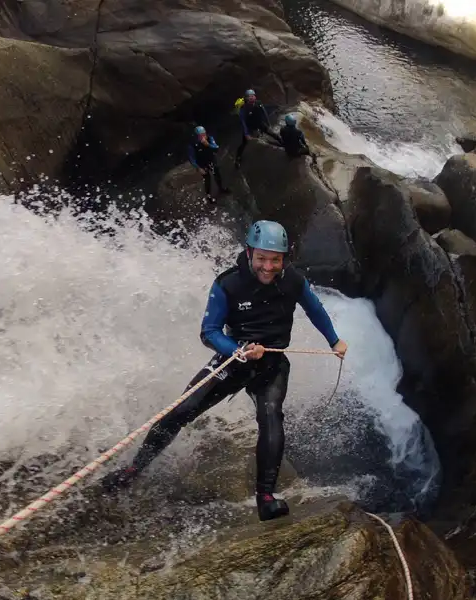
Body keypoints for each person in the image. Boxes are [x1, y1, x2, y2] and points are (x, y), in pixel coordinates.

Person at [101, 220, 348, 521]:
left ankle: (266, 496)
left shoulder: (293, 280)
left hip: (271, 364)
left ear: (284, 258)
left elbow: (315, 309)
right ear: (249, 252)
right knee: (181, 410)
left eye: (275, 260)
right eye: (261, 258)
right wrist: (237, 350)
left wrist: (334, 340)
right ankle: (133, 469)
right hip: (233, 361)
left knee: (271, 416)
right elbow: (209, 332)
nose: (268, 267)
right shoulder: (228, 284)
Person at [235, 89, 279, 168]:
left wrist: (268, 123)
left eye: (253, 96)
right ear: (246, 98)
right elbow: (243, 122)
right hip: (249, 126)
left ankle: (283, 142)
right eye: (250, 96)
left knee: (272, 133)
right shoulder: (244, 108)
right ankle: (238, 158)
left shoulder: (258, 103)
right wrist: (246, 134)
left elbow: (264, 112)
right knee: (244, 143)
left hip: (259, 123)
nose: (252, 98)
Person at [188, 125, 229, 202]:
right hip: (202, 163)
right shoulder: (193, 145)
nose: (203, 137)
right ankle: (208, 196)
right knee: (207, 179)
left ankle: (221, 188)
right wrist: (198, 168)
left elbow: (216, 148)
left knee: (217, 174)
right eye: (201, 135)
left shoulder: (210, 138)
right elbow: (192, 158)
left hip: (211, 160)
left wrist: (208, 145)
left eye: (204, 134)